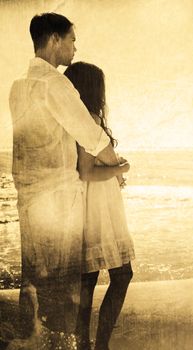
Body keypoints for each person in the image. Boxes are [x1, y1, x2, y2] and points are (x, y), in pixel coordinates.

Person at [9, 12, 129, 348]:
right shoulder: (55, 84)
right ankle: (69, 345)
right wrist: (119, 166)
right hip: (59, 199)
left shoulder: (19, 86)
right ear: (54, 40)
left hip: (29, 198)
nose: (75, 47)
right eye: (72, 39)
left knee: (35, 276)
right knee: (67, 284)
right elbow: (92, 137)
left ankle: (33, 340)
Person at [63, 62, 135, 350]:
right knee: (121, 274)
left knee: (88, 278)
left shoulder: (74, 119)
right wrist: (123, 167)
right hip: (98, 208)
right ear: (94, 89)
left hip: (86, 204)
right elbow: (87, 171)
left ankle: (83, 344)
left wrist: (114, 171)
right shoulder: (89, 119)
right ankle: (99, 345)